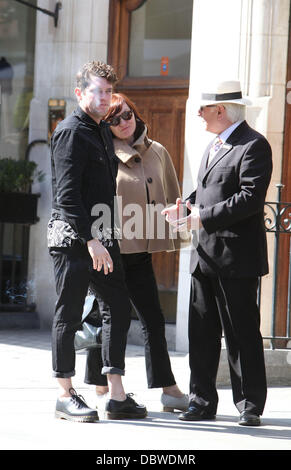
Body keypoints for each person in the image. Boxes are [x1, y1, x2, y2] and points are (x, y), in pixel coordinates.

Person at [162, 80, 272, 426]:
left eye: (203, 108)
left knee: (241, 333)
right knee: (202, 332)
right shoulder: (214, 144)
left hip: (236, 258)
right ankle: (201, 401)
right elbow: (208, 190)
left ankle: (250, 404)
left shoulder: (254, 145)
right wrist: (186, 207)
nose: (198, 113)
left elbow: (250, 198)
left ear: (221, 111)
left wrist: (201, 217)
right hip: (204, 258)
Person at [48, 61, 147, 422]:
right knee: (69, 313)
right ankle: (65, 393)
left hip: (103, 236)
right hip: (73, 238)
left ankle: (116, 393)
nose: (104, 98)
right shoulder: (71, 131)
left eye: (108, 91)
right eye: (97, 91)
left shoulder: (103, 131)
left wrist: (105, 237)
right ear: (80, 93)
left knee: (118, 307)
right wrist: (91, 240)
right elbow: (67, 195)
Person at [84, 92, 189, 412]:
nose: (123, 123)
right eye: (114, 119)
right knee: (107, 318)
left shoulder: (156, 150)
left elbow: (171, 194)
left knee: (153, 319)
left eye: (127, 115)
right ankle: (102, 384)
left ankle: (168, 389)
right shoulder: (102, 153)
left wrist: (175, 231)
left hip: (140, 250)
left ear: (136, 114)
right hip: (110, 249)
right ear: (106, 125)